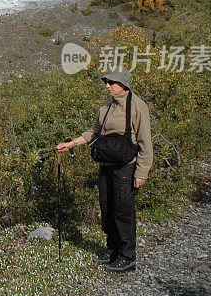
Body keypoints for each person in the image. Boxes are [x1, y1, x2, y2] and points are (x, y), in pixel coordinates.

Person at [56, 65, 153, 273]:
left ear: (123, 84)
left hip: (125, 167)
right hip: (106, 165)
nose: (107, 86)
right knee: (107, 208)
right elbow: (94, 131)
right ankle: (112, 248)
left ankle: (127, 256)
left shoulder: (137, 106)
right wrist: (71, 144)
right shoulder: (107, 106)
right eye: (106, 82)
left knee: (123, 210)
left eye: (112, 82)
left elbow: (146, 143)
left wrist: (141, 172)